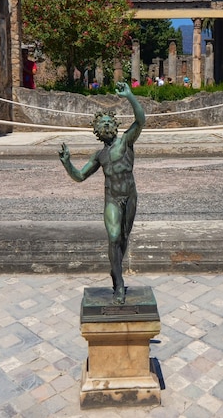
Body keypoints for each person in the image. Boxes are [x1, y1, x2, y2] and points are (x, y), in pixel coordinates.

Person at [58, 82, 145, 304]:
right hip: (112, 200)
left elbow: (141, 120)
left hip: (130, 197)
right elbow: (79, 176)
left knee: (123, 239)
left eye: (109, 122)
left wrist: (130, 96)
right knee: (114, 238)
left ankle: (115, 271)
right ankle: (119, 285)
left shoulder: (126, 141)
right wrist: (67, 163)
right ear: (97, 131)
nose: (106, 125)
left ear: (115, 126)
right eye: (101, 123)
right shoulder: (99, 156)